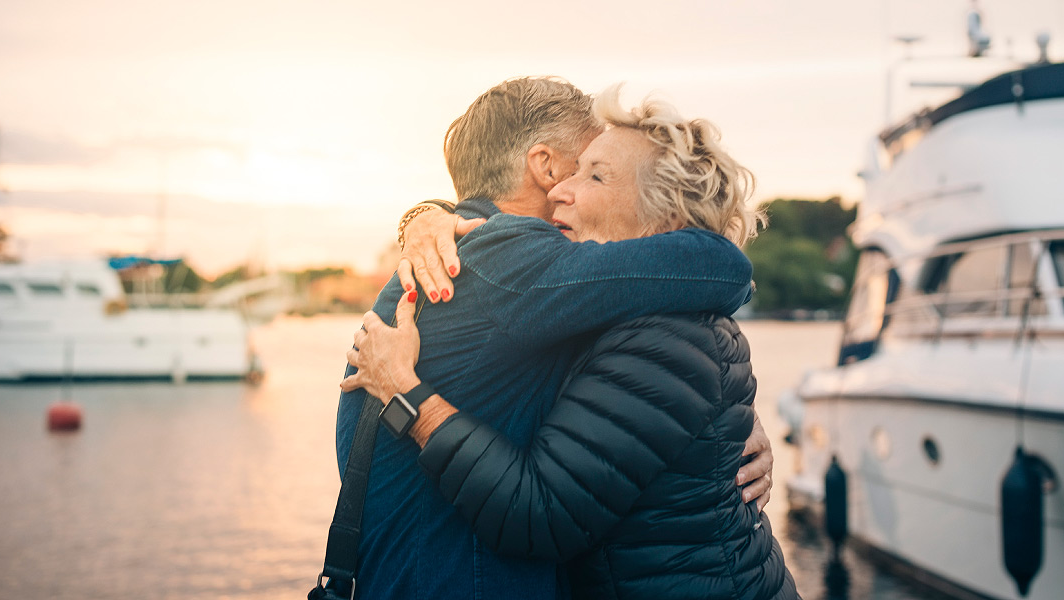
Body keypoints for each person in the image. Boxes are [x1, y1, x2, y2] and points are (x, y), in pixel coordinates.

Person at [342, 86, 799, 600]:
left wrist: (725, 414)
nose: (569, 189)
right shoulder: (508, 261)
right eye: (579, 165)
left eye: (596, 173)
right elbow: (720, 265)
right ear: (543, 165)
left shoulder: (516, 275)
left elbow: (675, 355)